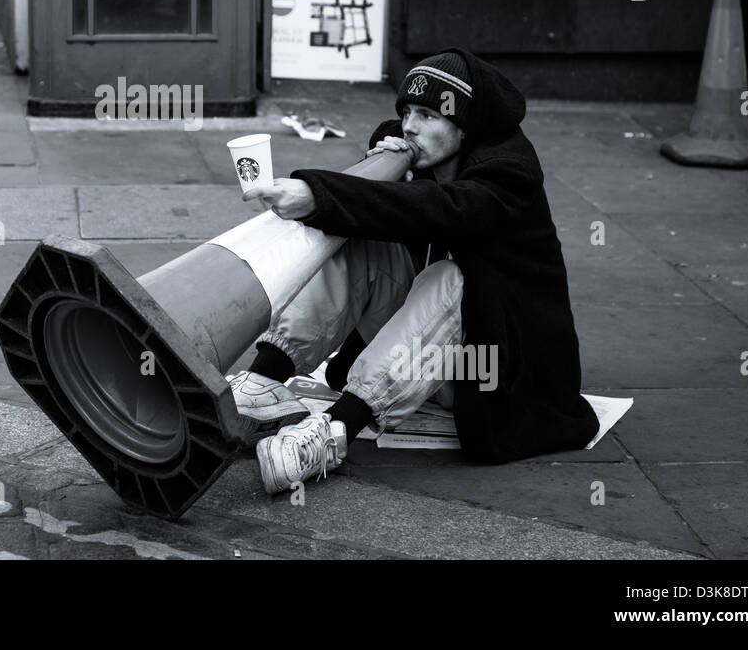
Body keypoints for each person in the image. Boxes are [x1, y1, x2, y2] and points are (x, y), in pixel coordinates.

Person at [234, 48, 600, 494]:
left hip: (495, 372)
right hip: (427, 354)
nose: (410, 127)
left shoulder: (510, 173)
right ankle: (264, 380)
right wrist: (385, 156)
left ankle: (333, 433)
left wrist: (319, 194)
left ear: (467, 125)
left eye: (427, 115)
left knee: (452, 277)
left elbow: (444, 210)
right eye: (406, 112)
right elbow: (393, 201)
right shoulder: (430, 153)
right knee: (365, 239)